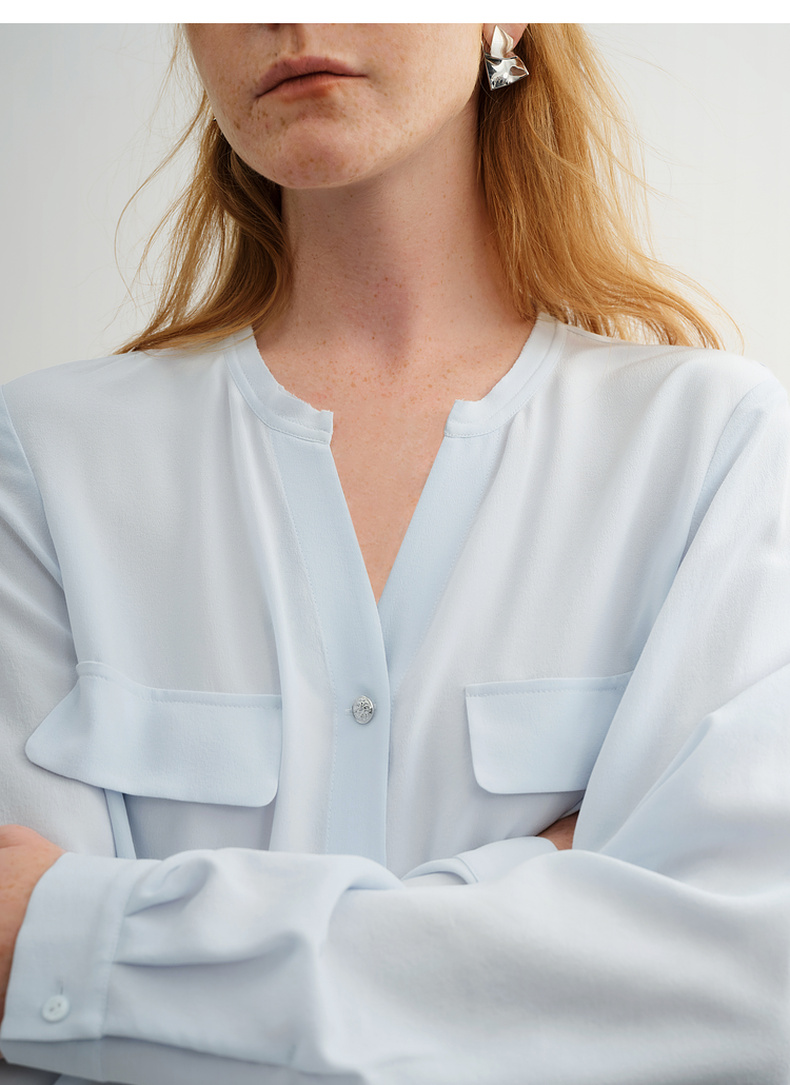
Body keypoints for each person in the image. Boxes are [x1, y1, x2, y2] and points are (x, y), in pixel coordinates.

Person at [1, 22, 789, 1084]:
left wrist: (85, 946)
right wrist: (544, 896)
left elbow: (743, 987)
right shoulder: (46, 460)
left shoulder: (709, 448)